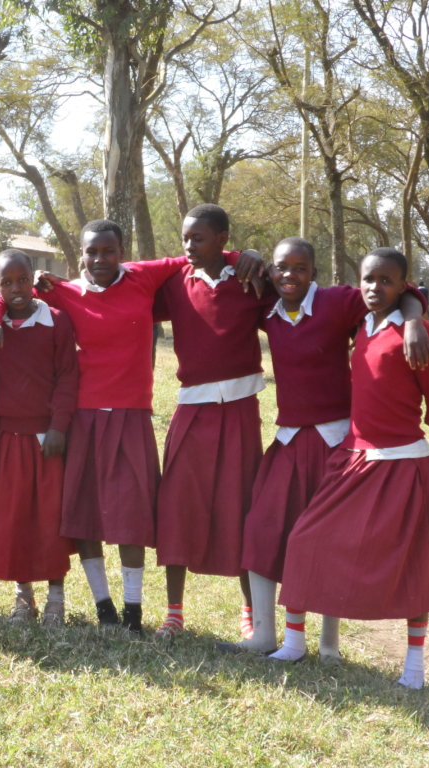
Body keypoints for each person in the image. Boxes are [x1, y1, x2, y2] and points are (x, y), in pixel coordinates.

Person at [0, 220, 261, 635]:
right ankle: (104, 606)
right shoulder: (65, 291)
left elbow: (200, 255)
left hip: (132, 416)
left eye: (108, 251)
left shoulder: (144, 277)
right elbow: (8, 294)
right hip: (84, 417)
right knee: (84, 515)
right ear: (81, 256)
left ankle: (132, 610)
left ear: (122, 251)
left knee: (132, 515)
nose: (99, 260)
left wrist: (243, 257)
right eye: (91, 252)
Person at [223, 238, 429, 662]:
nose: (290, 276)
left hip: (336, 441)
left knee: (326, 539)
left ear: (314, 272)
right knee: (263, 528)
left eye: (301, 268)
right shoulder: (269, 309)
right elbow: (233, 270)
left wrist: (413, 323)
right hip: (288, 438)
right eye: (282, 268)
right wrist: (249, 257)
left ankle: (329, 643)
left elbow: (401, 292)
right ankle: (263, 635)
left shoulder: (338, 303)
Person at [279, 247, 429, 689]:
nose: (374, 288)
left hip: (404, 465)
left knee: (412, 566)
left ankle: (414, 668)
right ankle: (292, 642)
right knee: (306, 538)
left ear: (404, 287)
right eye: (367, 279)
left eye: (386, 281)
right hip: (355, 459)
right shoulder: (361, 327)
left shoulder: (417, 334)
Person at [151, 204, 273, 641]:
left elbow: (294, 293)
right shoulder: (175, 284)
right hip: (193, 408)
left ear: (223, 239)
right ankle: (174, 613)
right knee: (178, 503)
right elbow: (118, 289)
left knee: (242, 507)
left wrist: (253, 256)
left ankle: (250, 613)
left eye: (198, 239)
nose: (188, 247)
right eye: (185, 238)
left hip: (241, 410)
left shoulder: (249, 280)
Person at [0, 249, 79, 626]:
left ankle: (56, 598)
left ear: (33, 279)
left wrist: (58, 426)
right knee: (13, 520)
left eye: (22, 280)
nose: (16, 288)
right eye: (6, 283)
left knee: (50, 519)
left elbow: (68, 377)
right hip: (9, 438)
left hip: (47, 438)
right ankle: (23, 597)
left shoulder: (55, 320)